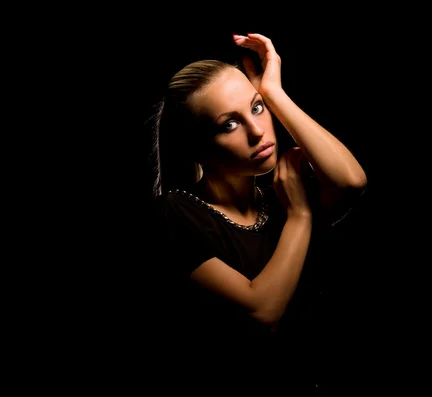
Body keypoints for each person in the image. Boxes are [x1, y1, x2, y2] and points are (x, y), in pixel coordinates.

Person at [145, 33, 367, 390]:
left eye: (256, 108)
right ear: (195, 146)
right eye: (229, 124)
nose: (257, 132)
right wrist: (300, 217)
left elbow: (351, 182)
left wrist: (274, 94)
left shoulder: (278, 194)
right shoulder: (174, 214)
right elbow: (261, 313)